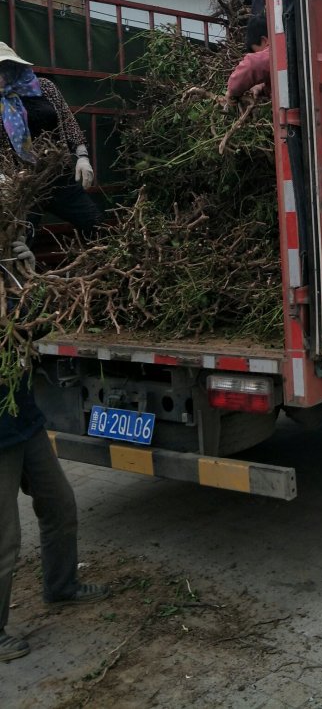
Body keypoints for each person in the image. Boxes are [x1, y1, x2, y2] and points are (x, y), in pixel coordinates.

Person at [0, 243, 108, 663]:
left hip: (24, 421)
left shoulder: (9, 282)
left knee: (59, 505)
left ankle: (61, 587)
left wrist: (30, 277)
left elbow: (36, 328)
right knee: (4, 539)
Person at [0, 43, 102, 237]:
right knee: (19, 240)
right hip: (22, 182)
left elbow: (67, 120)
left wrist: (82, 156)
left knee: (95, 225)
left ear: (12, 67)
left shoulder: (44, 88)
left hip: (58, 175)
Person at [223, 11, 272, 106]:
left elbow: (254, 64)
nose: (258, 54)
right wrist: (261, 86)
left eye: (257, 52)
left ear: (264, 40)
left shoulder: (274, 51)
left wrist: (231, 91)